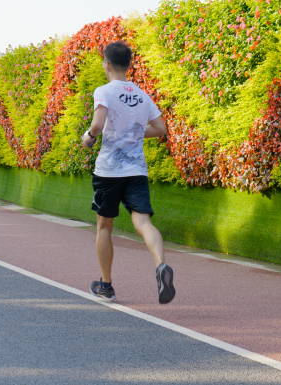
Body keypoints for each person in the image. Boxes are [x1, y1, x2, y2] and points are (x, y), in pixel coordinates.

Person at [81, 41, 175, 304]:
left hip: (109, 171)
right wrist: (134, 132)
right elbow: (160, 128)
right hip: (136, 171)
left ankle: (106, 286)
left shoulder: (104, 91)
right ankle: (161, 266)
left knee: (104, 227)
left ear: (107, 64)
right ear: (128, 65)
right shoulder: (142, 95)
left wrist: (88, 137)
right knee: (143, 222)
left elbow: (98, 124)